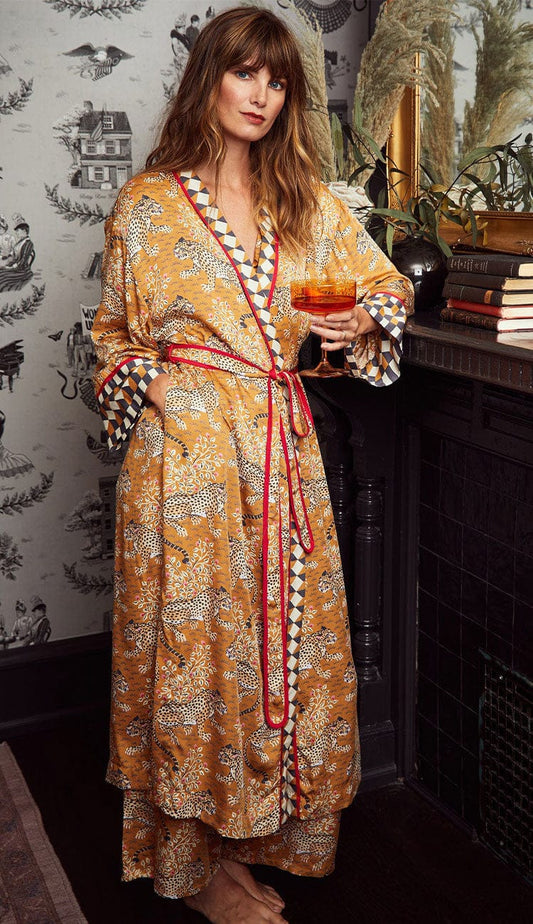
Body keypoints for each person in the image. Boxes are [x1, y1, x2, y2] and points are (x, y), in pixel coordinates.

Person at [91, 7, 413, 922]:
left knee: (279, 649)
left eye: (277, 81)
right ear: (210, 79)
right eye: (245, 73)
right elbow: (111, 337)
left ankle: (245, 848)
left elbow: (387, 286)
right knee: (194, 658)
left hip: (279, 450)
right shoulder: (148, 204)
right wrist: (161, 391)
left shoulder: (303, 201)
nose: (261, 95)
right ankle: (193, 872)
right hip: (184, 465)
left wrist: (360, 317)